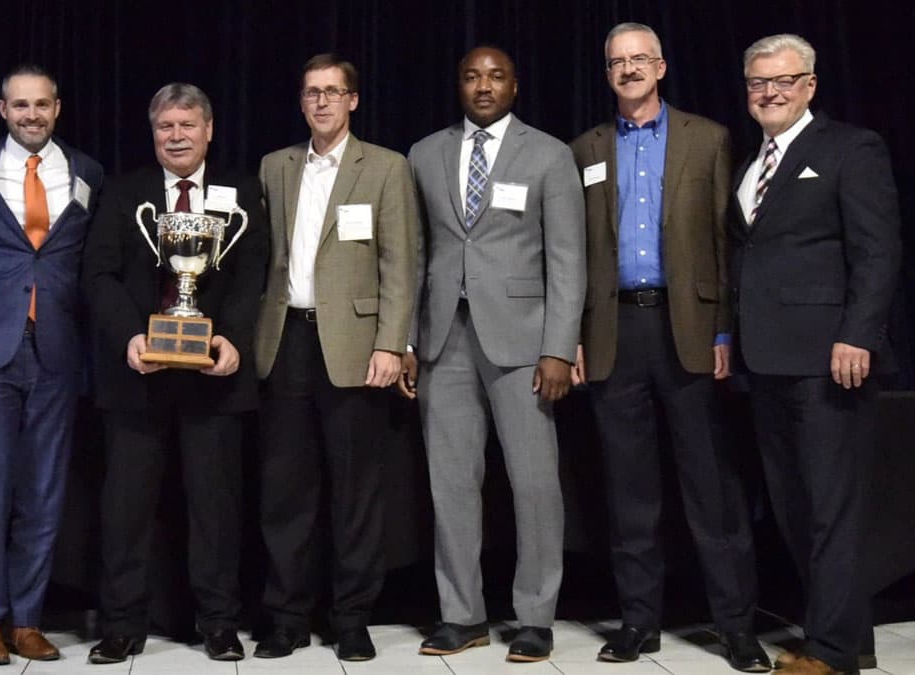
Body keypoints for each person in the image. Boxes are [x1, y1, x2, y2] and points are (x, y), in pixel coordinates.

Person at [569, 23, 768, 672]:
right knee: (630, 492)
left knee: (712, 488)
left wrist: (723, 331)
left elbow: (725, 242)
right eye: (616, 62)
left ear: (660, 67)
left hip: (690, 332)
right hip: (615, 333)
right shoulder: (585, 149)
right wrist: (572, 334)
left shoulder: (707, 139)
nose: (628, 70)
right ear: (607, 74)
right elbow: (575, 255)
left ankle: (736, 626)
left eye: (638, 59)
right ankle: (638, 622)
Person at [400, 45, 585, 663]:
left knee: (534, 484)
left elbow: (566, 260)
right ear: (459, 85)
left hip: (524, 341)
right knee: (451, 483)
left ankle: (535, 616)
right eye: (472, 76)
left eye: (496, 76)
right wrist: (406, 339)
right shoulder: (424, 154)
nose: (484, 86)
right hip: (442, 340)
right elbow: (415, 256)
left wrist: (559, 348)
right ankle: (463, 615)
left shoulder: (549, 154)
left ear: (515, 85)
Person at [730, 33, 900, 675]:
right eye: (757, 83)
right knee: (797, 509)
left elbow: (877, 251)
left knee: (832, 511)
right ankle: (850, 638)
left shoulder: (850, 148)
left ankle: (829, 654)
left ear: (810, 85)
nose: (769, 92)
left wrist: (858, 334)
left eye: (783, 80)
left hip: (831, 359)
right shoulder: (754, 162)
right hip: (767, 360)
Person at [81, 82, 268, 664]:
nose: (177, 136)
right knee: (127, 510)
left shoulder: (240, 191)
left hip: (214, 379)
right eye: (166, 127)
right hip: (138, 377)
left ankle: (218, 622)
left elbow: (255, 274)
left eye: (188, 125)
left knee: (215, 509)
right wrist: (131, 338)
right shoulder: (123, 190)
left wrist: (230, 339)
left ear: (209, 129)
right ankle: (121, 625)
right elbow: (99, 275)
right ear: (153, 132)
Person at [253, 53, 417, 662]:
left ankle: (351, 617)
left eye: (332, 92)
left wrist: (391, 344)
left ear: (353, 100)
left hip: (355, 345)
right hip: (285, 341)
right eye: (311, 93)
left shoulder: (386, 167)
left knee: (356, 492)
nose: (321, 102)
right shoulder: (275, 166)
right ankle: (287, 617)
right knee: (285, 491)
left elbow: (402, 263)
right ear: (301, 103)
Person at [0, 63, 104, 665]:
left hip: (59, 351)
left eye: (42, 104)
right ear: (2, 110)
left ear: (57, 109)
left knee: (44, 493)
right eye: (20, 105)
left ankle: (29, 620)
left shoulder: (87, 172)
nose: (31, 115)